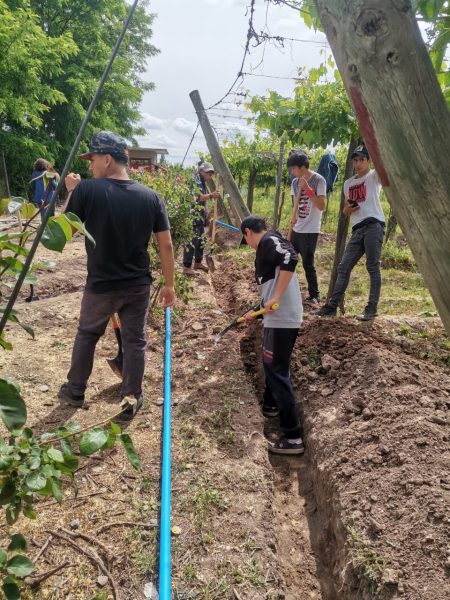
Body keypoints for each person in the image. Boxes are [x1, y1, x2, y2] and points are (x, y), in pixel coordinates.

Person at [58, 131, 175, 420]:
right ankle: (131, 398)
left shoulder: (87, 190)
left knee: (87, 334)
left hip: (101, 286)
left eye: (93, 159)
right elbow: (166, 244)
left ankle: (75, 390)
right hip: (137, 285)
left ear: (107, 159)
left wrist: (71, 190)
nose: (90, 166)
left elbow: (62, 232)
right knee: (135, 341)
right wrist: (170, 285)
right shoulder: (151, 197)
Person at [241, 215, 304, 455]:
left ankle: (293, 437)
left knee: (276, 370)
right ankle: (270, 406)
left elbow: (291, 256)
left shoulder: (269, 241)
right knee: (273, 366)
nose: (246, 244)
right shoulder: (266, 247)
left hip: (283, 319)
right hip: (276, 318)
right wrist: (256, 311)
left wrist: (276, 297)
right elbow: (269, 293)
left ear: (248, 232)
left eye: (244, 239)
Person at [316, 144, 385, 321]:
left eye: (362, 159)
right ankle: (331, 307)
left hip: (373, 224)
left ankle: (371, 309)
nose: (358, 163)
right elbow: (345, 211)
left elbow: (383, 166)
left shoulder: (373, 176)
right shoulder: (348, 183)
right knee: (343, 267)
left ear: (368, 160)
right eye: (355, 160)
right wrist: (349, 208)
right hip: (357, 228)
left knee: (372, 266)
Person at [287, 153, 326, 305]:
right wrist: (294, 215)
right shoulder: (295, 182)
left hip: (310, 230)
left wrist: (309, 190)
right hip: (296, 228)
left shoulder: (318, 180)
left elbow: (322, 206)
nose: (292, 172)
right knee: (288, 259)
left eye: (294, 168)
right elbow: (294, 204)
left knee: (307, 263)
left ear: (303, 167)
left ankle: (314, 295)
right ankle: (286, 291)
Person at [182, 161, 219, 275]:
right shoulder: (196, 180)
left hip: (199, 217)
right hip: (193, 216)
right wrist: (211, 195)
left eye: (211, 173)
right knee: (191, 241)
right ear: (201, 171)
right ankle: (187, 268)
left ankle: (198, 262)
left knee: (201, 241)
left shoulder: (202, 181)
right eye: (208, 173)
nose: (210, 175)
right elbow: (197, 198)